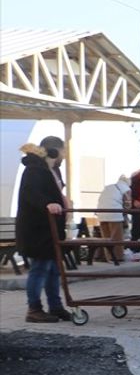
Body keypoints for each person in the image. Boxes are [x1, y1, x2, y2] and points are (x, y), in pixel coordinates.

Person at [15, 137, 72, 323]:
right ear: (54, 151)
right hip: (37, 230)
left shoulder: (51, 170)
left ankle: (55, 306)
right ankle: (34, 309)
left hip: (50, 229)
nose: (63, 156)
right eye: (62, 151)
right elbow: (31, 193)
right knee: (39, 268)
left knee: (54, 269)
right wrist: (48, 203)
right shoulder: (34, 170)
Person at [96, 174, 130, 264]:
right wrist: (126, 212)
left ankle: (108, 257)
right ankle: (117, 257)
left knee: (106, 237)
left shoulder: (108, 187)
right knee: (116, 237)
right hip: (115, 213)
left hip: (101, 213)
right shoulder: (126, 188)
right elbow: (128, 203)